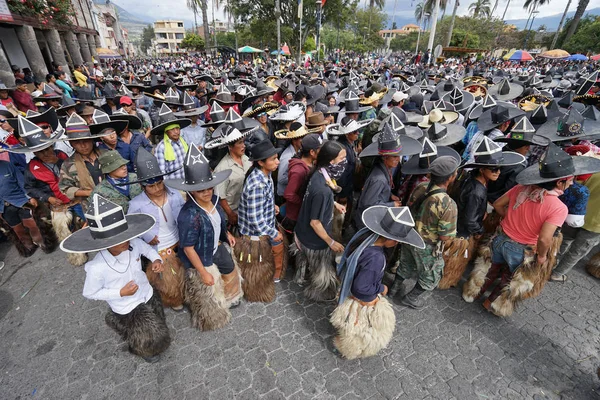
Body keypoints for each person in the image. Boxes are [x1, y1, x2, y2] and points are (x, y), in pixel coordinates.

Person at [461, 144, 600, 317]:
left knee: (490, 267)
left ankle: (471, 293)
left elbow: (497, 205)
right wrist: (541, 257)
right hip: (522, 250)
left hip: (499, 238)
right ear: (559, 182)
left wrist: (510, 218)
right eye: (570, 180)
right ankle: (492, 304)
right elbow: (543, 239)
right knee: (509, 279)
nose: (571, 182)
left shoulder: (521, 189)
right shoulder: (558, 208)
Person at [61, 194, 170, 363]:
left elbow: (147, 250)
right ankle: (146, 350)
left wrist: (156, 260)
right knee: (144, 334)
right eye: (119, 240)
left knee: (158, 319)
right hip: (126, 306)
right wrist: (119, 292)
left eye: (125, 236)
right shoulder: (97, 268)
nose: (125, 242)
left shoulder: (132, 243)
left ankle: (156, 341)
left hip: (146, 292)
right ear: (104, 243)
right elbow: (90, 293)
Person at [332, 205, 424, 359]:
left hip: (348, 282)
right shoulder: (376, 258)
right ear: (391, 239)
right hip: (360, 296)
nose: (397, 244)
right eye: (397, 241)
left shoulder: (365, 235)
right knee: (360, 329)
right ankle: (348, 349)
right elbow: (361, 287)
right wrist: (378, 292)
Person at [166, 145, 243, 330]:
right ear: (192, 191)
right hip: (201, 257)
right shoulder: (189, 215)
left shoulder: (215, 201)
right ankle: (214, 316)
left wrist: (227, 235)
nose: (207, 192)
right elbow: (188, 248)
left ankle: (232, 298)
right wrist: (203, 272)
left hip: (216, 246)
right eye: (201, 190)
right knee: (209, 288)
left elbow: (218, 223)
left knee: (230, 269)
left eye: (209, 188)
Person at [390, 156, 459, 309]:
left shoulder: (421, 186)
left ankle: (393, 290)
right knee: (432, 275)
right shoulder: (448, 204)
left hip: (410, 236)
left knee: (405, 264)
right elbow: (445, 236)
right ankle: (410, 298)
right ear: (450, 178)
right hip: (426, 245)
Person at [127, 148, 186, 311]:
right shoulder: (136, 205)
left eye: (159, 183)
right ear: (142, 186)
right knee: (169, 281)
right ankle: (174, 298)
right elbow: (131, 231)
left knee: (187, 273)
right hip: (160, 249)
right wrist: (146, 236)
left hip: (180, 241)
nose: (158, 188)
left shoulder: (174, 194)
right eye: (151, 186)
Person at [293, 141, 347, 301]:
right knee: (322, 273)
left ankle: (300, 276)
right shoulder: (322, 190)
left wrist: (334, 203)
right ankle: (319, 293)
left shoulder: (319, 173)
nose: (345, 161)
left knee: (304, 263)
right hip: (314, 240)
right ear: (331, 161)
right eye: (342, 159)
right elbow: (315, 223)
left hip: (302, 231)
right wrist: (331, 242)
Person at [236, 139, 286, 302]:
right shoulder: (257, 183)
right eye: (273, 159)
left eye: (277, 157)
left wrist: (272, 207)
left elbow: (261, 204)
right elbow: (256, 220)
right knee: (256, 269)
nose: (277, 161)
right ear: (260, 162)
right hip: (255, 236)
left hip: (263, 228)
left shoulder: (266, 174)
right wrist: (273, 232)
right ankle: (256, 291)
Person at [354, 122, 422, 230]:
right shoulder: (378, 179)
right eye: (394, 157)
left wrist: (390, 195)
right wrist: (391, 205)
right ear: (385, 157)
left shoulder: (383, 168)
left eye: (398, 156)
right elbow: (368, 205)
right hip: (367, 223)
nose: (398, 160)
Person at [58, 113, 111, 211]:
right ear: (71, 144)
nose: (83, 146)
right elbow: (65, 188)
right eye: (77, 142)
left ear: (91, 140)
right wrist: (89, 192)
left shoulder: (107, 154)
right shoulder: (68, 164)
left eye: (85, 141)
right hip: (90, 206)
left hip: (115, 199)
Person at [208, 125, 252, 229]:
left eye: (243, 142)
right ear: (230, 147)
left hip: (247, 208)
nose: (244, 146)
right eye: (239, 143)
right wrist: (230, 214)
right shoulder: (222, 168)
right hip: (233, 213)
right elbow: (220, 196)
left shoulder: (246, 159)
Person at [282, 134, 322, 238]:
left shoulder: (311, 164)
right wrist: (304, 201)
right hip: (295, 218)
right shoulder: (298, 171)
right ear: (312, 152)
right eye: (319, 149)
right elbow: (289, 194)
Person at [153, 104, 192, 180]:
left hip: (187, 181)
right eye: (172, 129)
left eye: (177, 128)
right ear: (167, 132)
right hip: (173, 185)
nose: (176, 132)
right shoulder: (161, 148)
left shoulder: (183, 142)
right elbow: (162, 172)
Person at [275, 122, 310, 199]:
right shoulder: (287, 157)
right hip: (284, 196)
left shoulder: (299, 151)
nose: (304, 141)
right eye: (301, 138)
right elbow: (281, 179)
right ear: (294, 141)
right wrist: (297, 177)